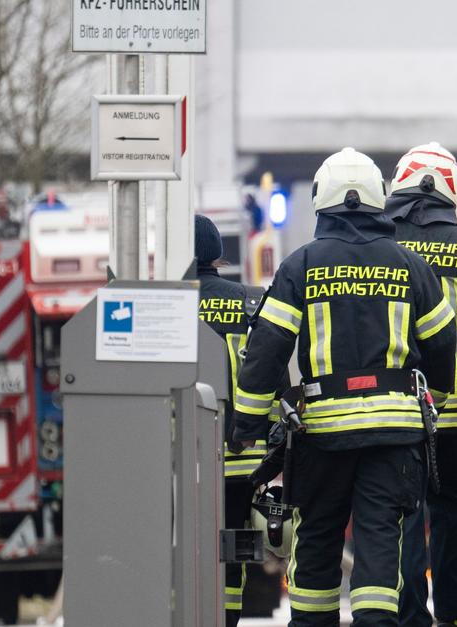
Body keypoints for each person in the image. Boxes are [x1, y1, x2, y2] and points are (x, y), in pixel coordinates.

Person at [232, 148, 457, 627]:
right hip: (394, 435)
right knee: (379, 542)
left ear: (320, 200)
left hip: (323, 435)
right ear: (378, 199)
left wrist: (247, 425)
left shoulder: (301, 265)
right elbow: (444, 348)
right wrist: (434, 395)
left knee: (317, 539)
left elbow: (266, 350)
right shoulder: (411, 265)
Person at [388, 142, 457, 627]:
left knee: (405, 512)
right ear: (453, 189)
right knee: (452, 508)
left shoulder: (381, 240)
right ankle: (454, 617)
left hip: (398, 405)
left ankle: (411, 616)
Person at [195, 214, 272, 627]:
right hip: (243, 462)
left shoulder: (165, 303)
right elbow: (274, 376)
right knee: (231, 550)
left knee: (185, 548)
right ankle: (226, 620)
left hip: (182, 461)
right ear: (218, 257)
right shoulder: (252, 299)